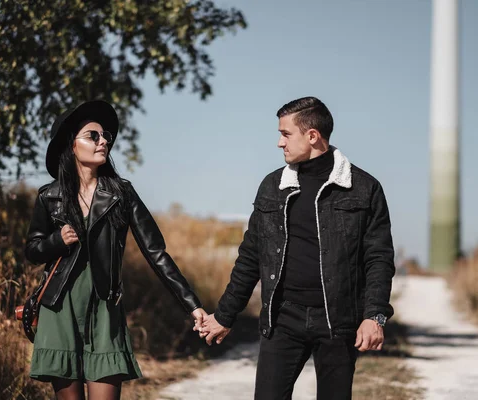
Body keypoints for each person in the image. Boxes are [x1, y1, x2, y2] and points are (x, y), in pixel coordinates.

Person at [199, 96, 395, 399]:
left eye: (285, 133)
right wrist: (225, 315)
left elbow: (378, 259)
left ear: (312, 136)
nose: (279, 143)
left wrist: (374, 316)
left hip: (338, 320)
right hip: (283, 319)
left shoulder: (363, 188)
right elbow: (251, 256)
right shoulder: (273, 187)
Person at [24, 100, 207, 400]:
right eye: (92, 136)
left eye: (105, 135)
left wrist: (192, 305)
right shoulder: (50, 196)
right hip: (59, 309)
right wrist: (56, 241)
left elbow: (156, 252)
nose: (103, 140)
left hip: (105, 309)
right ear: (72, 146)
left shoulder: (121, 193)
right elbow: (32, 250)